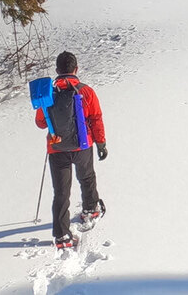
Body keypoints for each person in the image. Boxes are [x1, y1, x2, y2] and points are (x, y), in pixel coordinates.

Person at [35, 51, 108, 249]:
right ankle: (90, 209)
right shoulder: (86, 91)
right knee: (86, 177)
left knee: (61, 192)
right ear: (76, 69)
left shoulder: (47, 93)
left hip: (56, 148)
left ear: (57, 70)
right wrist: (101, 143)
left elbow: (40, 122)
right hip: (82, 144)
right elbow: (95, 118)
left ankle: (61, 236)